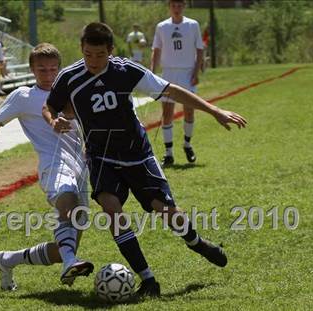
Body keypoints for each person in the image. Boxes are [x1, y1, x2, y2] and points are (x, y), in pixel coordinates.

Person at [43, 22, 246, 298]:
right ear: (82, 49)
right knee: (111, 208)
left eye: (100, 55)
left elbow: (171, 90)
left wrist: (214, 110)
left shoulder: (126, 71)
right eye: (88, 54)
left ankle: (196, 242)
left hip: (137, 154)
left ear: (111, 51)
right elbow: (50, 106)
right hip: (101, 156)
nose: (93, 61)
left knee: (166, 211)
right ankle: (147, 279)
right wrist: (53, 120)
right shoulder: (69, 77)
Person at [0, 43, 94, 291]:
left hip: (81, 170)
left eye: (53, 69)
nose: (48, 74)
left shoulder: (72, 92)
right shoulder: (23, 97)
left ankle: (8, 259)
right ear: (32, 69)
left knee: (66, 245)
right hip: (52, 165)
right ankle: (70, 262)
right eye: (42, 69)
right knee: (67, 198)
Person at [151, 0, 204, 167]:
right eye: (173, 5)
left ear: (184, 6)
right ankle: (169, 154)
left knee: (189, 111)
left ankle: (187, 145)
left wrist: (196, 72)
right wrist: (152, 73)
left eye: (179, 5)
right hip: (168, 73)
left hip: (187, 73)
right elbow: (156, 50)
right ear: (169, 6)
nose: (176, 8)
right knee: (167, 113)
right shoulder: (162, 27)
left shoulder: (192, 25)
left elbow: (200, 50)